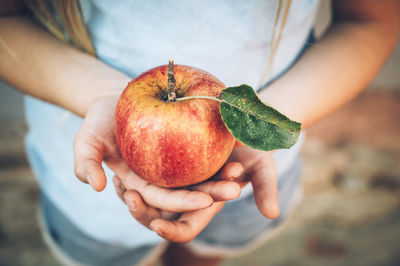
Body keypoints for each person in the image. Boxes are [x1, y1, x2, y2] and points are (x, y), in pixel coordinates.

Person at [0, 0, 399, 265]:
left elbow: (371, 20)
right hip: (93, 193)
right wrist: (98, 96)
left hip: (245, 172)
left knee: (209, 251)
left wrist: (268, 120)